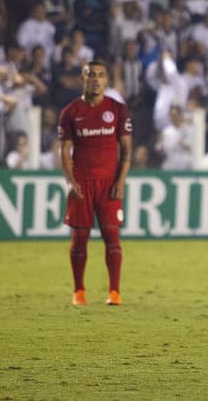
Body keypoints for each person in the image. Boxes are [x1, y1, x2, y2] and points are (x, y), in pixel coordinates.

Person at [58, 60, 132, 306]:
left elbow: (127, 150)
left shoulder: (118, 110)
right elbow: (65, 151)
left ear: (107, 80)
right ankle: (79, 291)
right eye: (91, 75)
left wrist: (120, 181)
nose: (96, 79)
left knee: (112, 237)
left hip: (108, 184)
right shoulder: (70, 112)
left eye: (101, 75)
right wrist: (70, 182)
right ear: (83, 79)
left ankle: (114, 292)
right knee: (80, 238)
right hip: (82, 183)